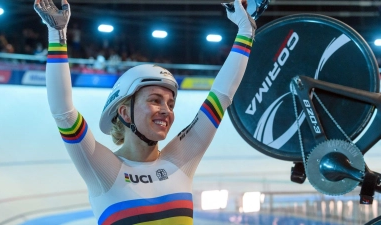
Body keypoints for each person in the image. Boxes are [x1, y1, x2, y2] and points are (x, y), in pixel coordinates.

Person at [34, 0, 256, 224]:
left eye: (170, 104)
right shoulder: (104, 169)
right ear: (125, 113)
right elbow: (63, 112)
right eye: (155, 100)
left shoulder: (179, 160)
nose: (166, 111)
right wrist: (57, 34)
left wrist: (246, 31)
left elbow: (221, 96)